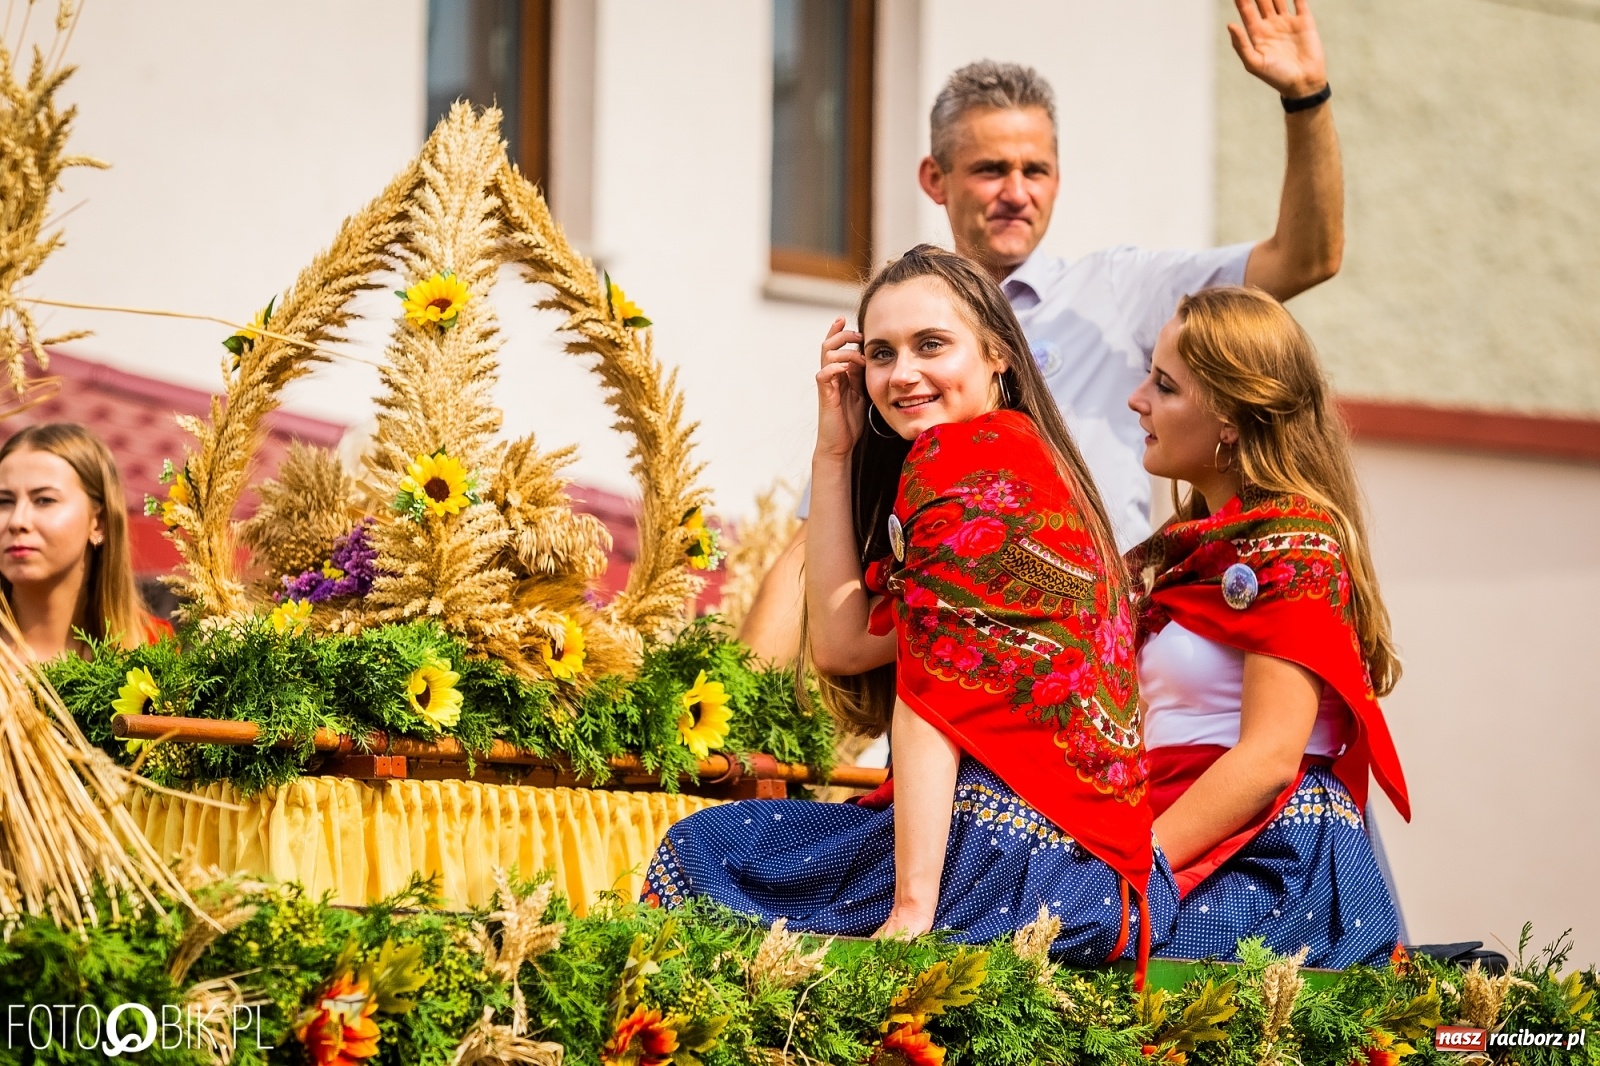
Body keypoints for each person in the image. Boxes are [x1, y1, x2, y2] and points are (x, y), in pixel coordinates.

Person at [742, 0, 1344, 664]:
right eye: (990, 169)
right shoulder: (898, 353)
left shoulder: (1118, 292)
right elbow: (814, 559)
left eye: (1036, 171)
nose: (1016, 191)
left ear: (1001, 354)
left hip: (1096, 679)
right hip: (949, 691)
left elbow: (1307, 257)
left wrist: (1305, 98)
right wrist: (719, 718)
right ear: (934, 180)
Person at [645, 246, 1175, 977]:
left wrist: (912, 912)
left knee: (701, 853)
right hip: (1092, 878)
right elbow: (841, 646)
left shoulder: (959, 466)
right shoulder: (1032, 464)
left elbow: (930, 705)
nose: (902, 375)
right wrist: (834, 454)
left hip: (1005, 860)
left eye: (932, 346)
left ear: (998, 355)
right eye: (882, 353)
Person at [1124, 287, 1408, 967]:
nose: (1137, 399)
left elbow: (1269, 758)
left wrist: (1130, 878)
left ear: (1230, 417)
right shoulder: (1177, 552)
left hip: (1267, 863)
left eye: (1164, 385)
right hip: (1181, 831)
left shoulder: (1296, 544)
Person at [0, 422, 167, 660]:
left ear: (99, 523)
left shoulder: (152, 648)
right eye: (4, 502)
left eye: (44, 500)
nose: (17, 521)